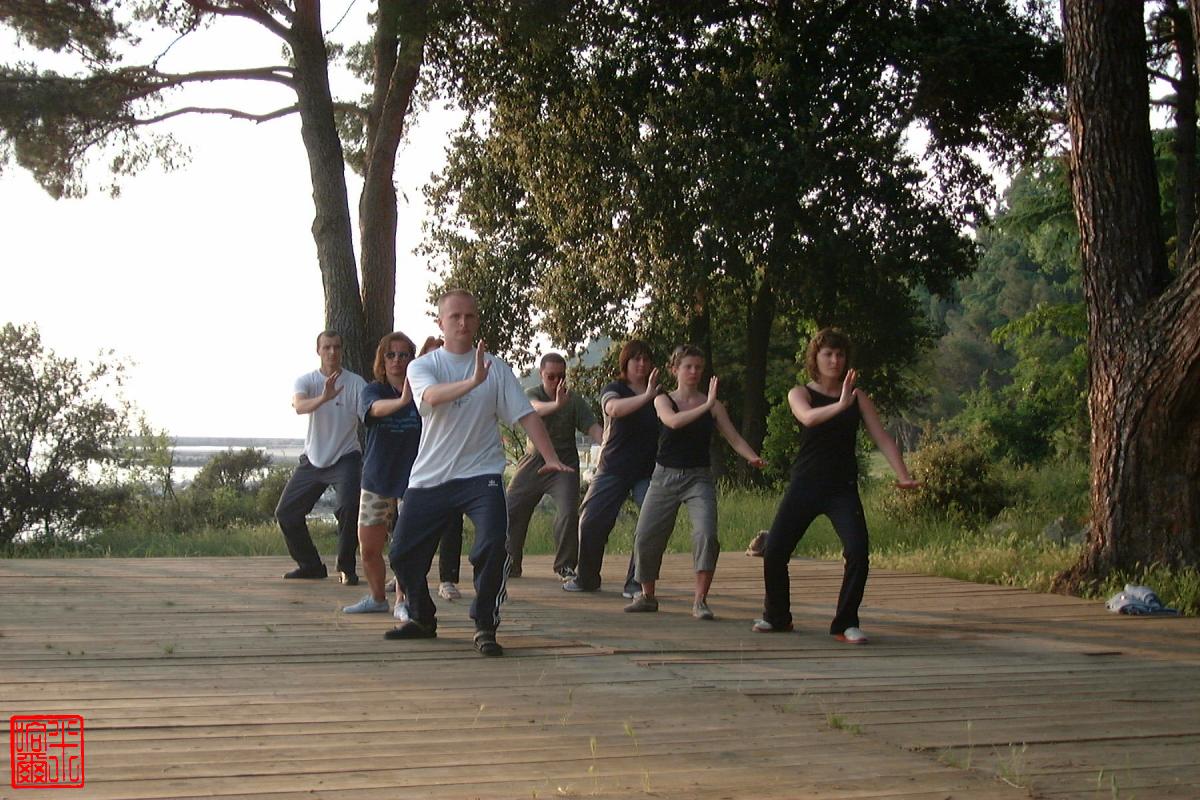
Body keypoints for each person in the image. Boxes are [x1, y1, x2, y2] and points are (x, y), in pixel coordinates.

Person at [385, 289, 572, 657]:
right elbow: (431, 398)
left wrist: (550, 457)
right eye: (455, 316)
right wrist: (472, 381)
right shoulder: (423, 366)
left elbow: (525, 414)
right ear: (440, 322)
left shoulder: (496, 368)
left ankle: (485, 624)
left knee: (492, 544)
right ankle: (421, 617)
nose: (463, 323)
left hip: (481, 474)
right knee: (403, 553)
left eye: (469, 316)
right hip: (431, 476)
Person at [752, 328, 917, 643]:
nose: (834, 360)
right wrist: (840, 405)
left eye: (840, 354)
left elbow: (881, 437)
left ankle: (845, 623)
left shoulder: (857, 396)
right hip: (805, 483)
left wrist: (903, 475)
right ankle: (777, 617)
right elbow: (808, 418)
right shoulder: (800, 392)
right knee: (775, 551)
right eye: (827, 354)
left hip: (841, 487)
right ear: (815, 358)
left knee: (858, 552)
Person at [623, 345, 764, 619]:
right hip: (664, 476)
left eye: (699, 367)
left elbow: (734, 437)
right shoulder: (662, 399)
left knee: (706, 534)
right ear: (674, 369)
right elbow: (674, 422)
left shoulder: (714, 405)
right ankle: (647, 595)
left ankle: (700, 600)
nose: (694, 372)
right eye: (688, 367)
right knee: (646, 535)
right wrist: (706, 406)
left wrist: (752, 457)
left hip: (698, 478)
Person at [563, 340, 659, 596]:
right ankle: (587, 578)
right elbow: (613, 409)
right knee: (590, 521)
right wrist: (646, 396)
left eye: (646, 359)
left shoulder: (659, 395)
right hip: (613, 467)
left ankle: (636, 582)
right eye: (636, 359)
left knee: (651, 523)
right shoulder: (614, 389)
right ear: (625, 363)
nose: (641, 364)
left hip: (647, 471)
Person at [276, 330, 366, 583]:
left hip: (346, 457)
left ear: (342, 350)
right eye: (327, 347)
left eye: (336, 347)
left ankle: (346, 568)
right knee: (286, 513)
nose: (332, 352)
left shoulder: (356, 383)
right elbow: (299, 406)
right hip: (313, 459)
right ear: (318, 351)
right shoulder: (306, 381)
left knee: (348, 508)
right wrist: (324, 397)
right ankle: (310, 566)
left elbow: (368, 415)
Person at [505, 353, 603, 580]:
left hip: (564, 463)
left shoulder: (574, 400)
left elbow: (593, 428)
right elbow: (533, 409)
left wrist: (607, 442)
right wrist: (557, 404)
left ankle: (565, 565)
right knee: (511, 508)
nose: (557, 382)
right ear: (541, 374)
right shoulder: (532, 393)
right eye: (551, 377)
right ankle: (510, 562)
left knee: (568, 511)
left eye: (561, 376)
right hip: (534, 460)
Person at [341, 332, 420, 614]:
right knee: (369, 548)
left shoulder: (424, 391)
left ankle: (403, 601)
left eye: (403, 355)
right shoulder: (373, 391)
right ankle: (377, 599)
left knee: (406, 547)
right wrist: (402, 401)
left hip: (414, 480)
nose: (397, 360)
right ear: (382, 361)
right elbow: (374, 410)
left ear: (412, 360)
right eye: (391, 354)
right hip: (378, 478)